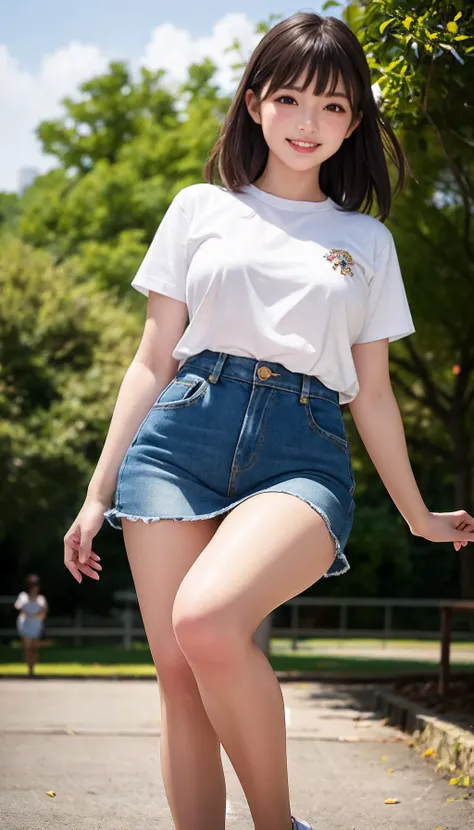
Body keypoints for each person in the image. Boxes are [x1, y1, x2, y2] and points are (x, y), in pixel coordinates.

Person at [63, 12, 474, 830]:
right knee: (179, 679)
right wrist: (97, 491)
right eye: (288, 98)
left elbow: (374, 396)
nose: (305, 122)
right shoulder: (197, 209)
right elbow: (152, 359)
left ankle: (278, 825)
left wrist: (418, 514)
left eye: (331, 106)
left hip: (302, 450)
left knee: (209, 623)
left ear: (354, 120)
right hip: (179, 439)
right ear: (255, 104)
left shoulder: (366, 242)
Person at [14, 573, 48, 677]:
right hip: (25, 624)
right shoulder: (23, 597)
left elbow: (44, 612)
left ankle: (32, 668)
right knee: (27, 648)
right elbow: (17, 606)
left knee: (34, 648)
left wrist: (39, 617)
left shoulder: (41, 599)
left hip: (36, 624)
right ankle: (30, 670)